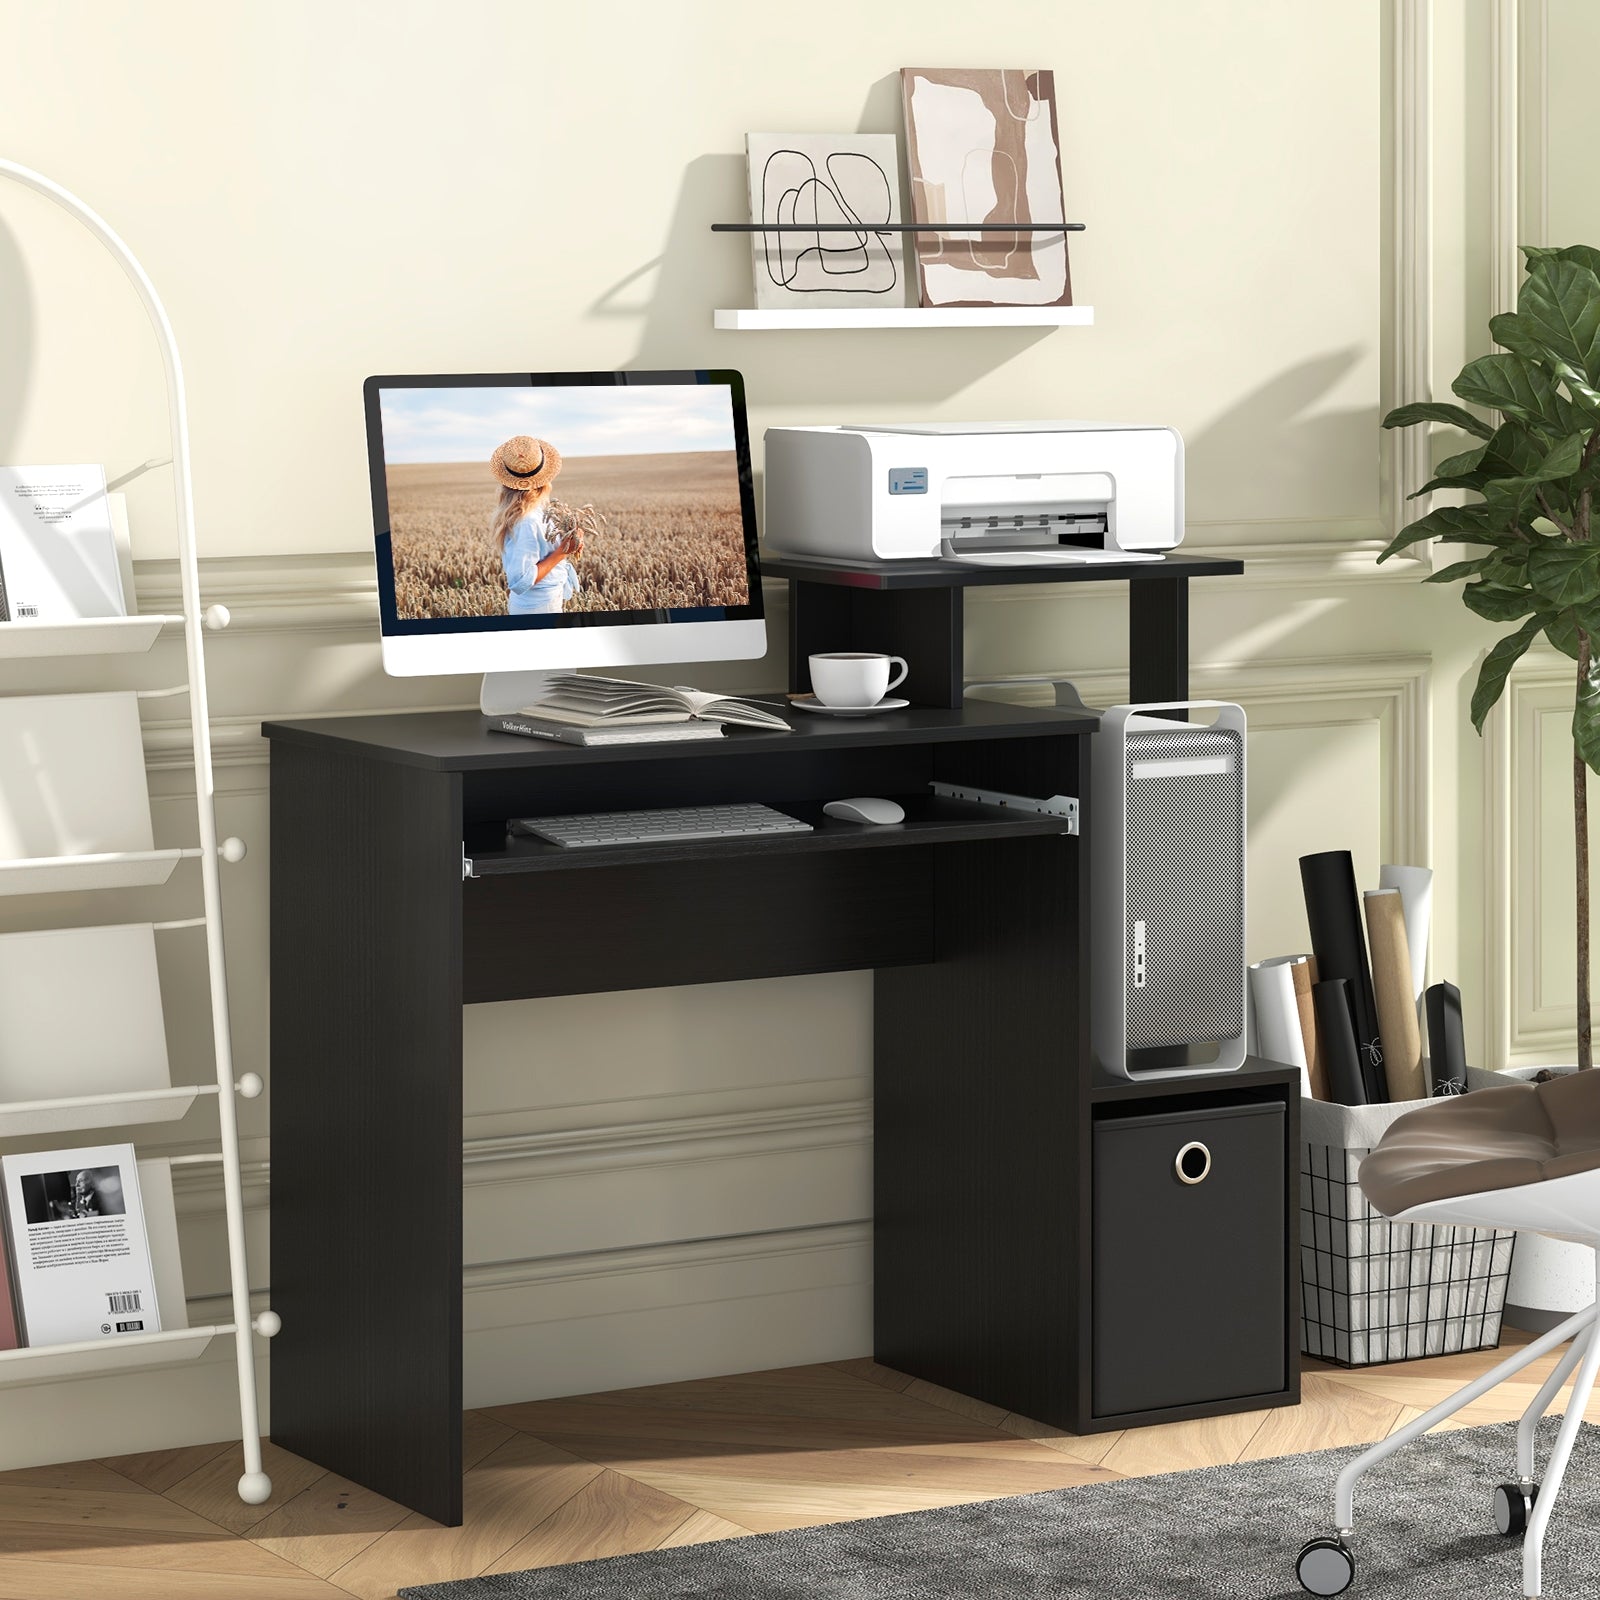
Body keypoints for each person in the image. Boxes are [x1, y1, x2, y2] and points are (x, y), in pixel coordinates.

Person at [488, 435, 581, 614]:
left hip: (542, 602)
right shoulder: (527, 521)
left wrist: (572, 539)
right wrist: (562, 552)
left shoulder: (535, 511)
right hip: (538, 608)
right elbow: (520, 580)